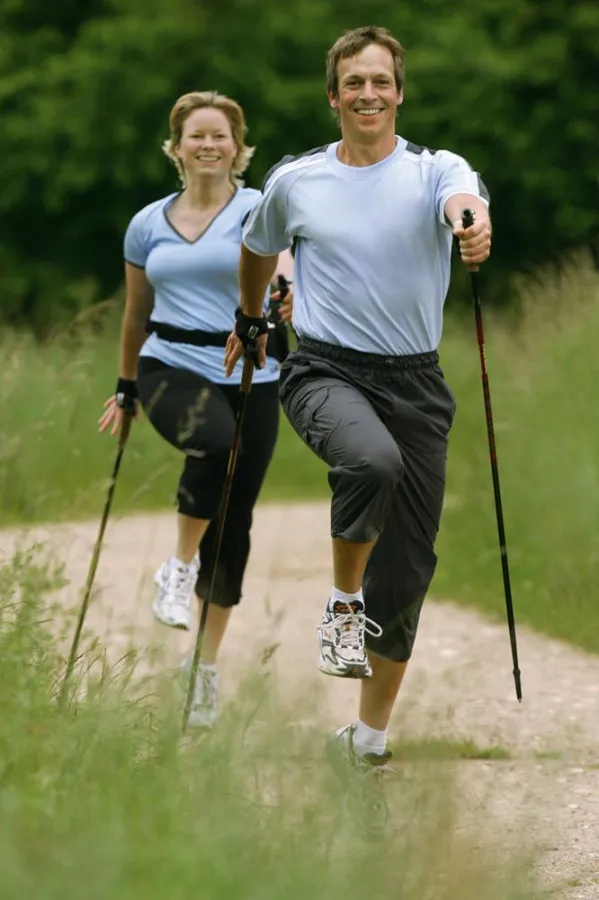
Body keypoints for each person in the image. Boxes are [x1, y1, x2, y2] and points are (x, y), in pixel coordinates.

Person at [224, 25, 491, 822]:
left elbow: (463, 199)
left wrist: (469, 224)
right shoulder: (296, 181)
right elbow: (256, 245)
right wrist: (250, 315)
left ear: (398, 93)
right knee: (368, 462)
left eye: (381, 81)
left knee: (407, 570)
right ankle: (342, 606)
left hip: (417, 383)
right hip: (326, 369)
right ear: (333, 96)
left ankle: (366, 742)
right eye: (353, 83)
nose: (367, 94)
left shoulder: (431, 170)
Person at [99, 90, 293, 728]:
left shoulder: (258, 208)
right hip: (168, 366)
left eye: (220, 136)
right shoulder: (146, 222)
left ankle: (203, 672)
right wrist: (127, 388)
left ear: (238, 148)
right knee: (213, 443)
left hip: (253, 371)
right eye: (196, 135)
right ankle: (178, 568)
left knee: (234, 524)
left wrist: (288, 295)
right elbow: (134, 313)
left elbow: (285, 269)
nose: (208, 145)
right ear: (176, 146)